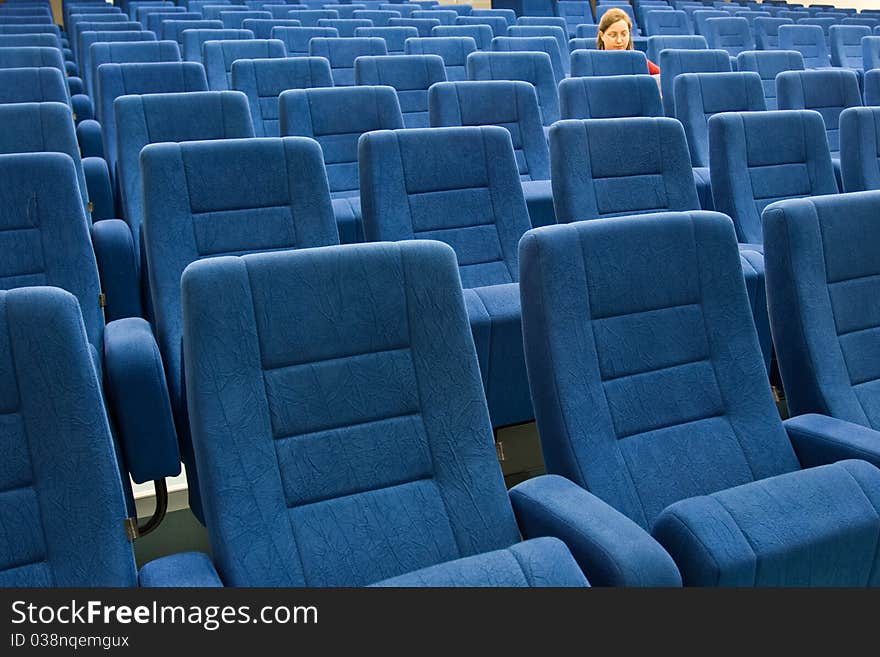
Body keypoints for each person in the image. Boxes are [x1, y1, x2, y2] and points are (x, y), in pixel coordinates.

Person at [596, 7, 660, 75]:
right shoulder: (593, 63)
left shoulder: (638, 60)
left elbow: (664, 77)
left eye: (624, 34)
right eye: (613, 35)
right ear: (602, 35)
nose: (619, 40)